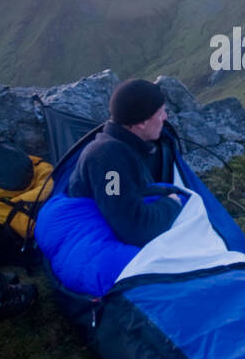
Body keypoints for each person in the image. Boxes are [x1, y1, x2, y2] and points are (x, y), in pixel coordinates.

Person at [67, 78, 183, 246]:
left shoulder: (125, 144)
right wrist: (172, 204)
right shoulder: (108, 161)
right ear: (142, 122)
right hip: (92, 240)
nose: (165, 117)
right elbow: (133, 228)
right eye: (161, 113)